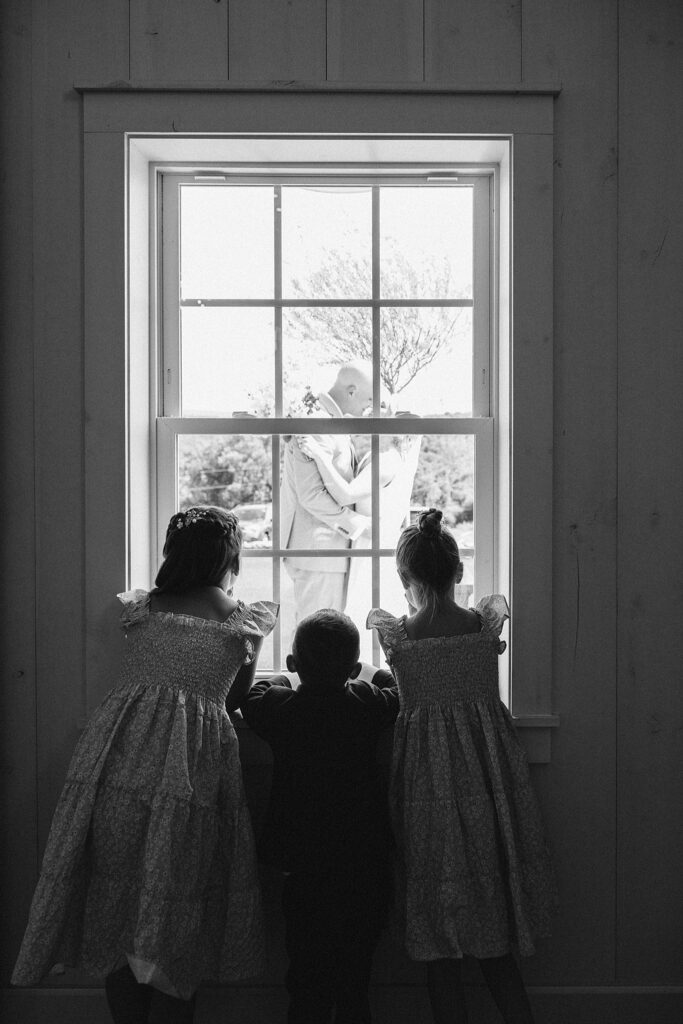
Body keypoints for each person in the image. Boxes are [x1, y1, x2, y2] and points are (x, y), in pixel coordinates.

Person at [12, 506, 278, 1024]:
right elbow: (234, 699)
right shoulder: (242, 621)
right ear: (230, 556)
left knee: (118, 909)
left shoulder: (144, 608)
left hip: (118, 764)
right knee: (179, 917)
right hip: (189, 774)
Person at [367, 509, 557, 1024]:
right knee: (492, 926)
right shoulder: (481, 626)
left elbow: (399, 686)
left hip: (425, 784)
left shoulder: (399, 638)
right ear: (457, 573)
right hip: (487, 778)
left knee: (438, 934)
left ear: (406, 580)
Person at [241, 609, 399, 1024]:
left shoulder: (282, 709)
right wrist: (365, 670)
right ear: (351, 668)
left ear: (293, 665)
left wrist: (283, 677)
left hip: (302, 863)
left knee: (306, 978)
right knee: (355, 981)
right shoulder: (366, 705)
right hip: (363, 862)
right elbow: (397, 688)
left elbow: (253, 696)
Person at [299, 420, 421, 647]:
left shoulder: (386, 461)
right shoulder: (382, 458)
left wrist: (320, 456)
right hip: (369, 545)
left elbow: (347, 495)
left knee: (365, 617)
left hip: (371, 549)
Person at [281, 361, 374, 623]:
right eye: (368, 399)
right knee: (316, 636)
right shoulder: (317, 424)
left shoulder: (330, 422)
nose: (369, 408)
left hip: (327, 554)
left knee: (324, 636)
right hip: (319, 552)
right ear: (352, 391)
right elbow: (310, 495)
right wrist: (358, 525)